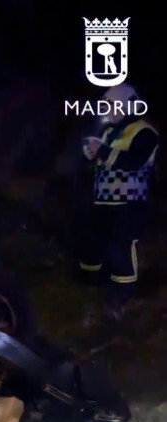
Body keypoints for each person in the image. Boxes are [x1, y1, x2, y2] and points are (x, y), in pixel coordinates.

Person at [79, 83, 159, 323]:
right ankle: (90, 285)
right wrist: (92, 156)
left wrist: (102, 152)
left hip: (128, 203)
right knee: (94, 243)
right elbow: (102, 165)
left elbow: (133, 163)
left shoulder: (145, 132)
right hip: (102, 202)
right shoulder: (109, 132)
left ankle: (123, 297)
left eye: (111, 105)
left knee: (121, 247)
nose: (108, 111)